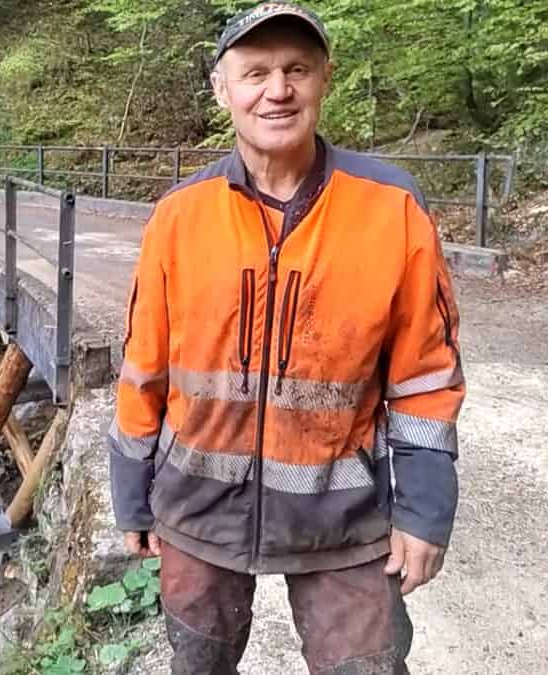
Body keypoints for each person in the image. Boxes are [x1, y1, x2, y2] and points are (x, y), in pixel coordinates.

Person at [107, 2, 465, 673]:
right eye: (256, 73)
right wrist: (132, 489)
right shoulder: (180, 216)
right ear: (223, 89)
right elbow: (142, 367)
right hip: (196, 511)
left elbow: (425, 375)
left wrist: (424, 509)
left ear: (325, 78)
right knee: (197, 662)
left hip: (344, 517)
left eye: (297, 69)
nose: (278, 90)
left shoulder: (391, 206)